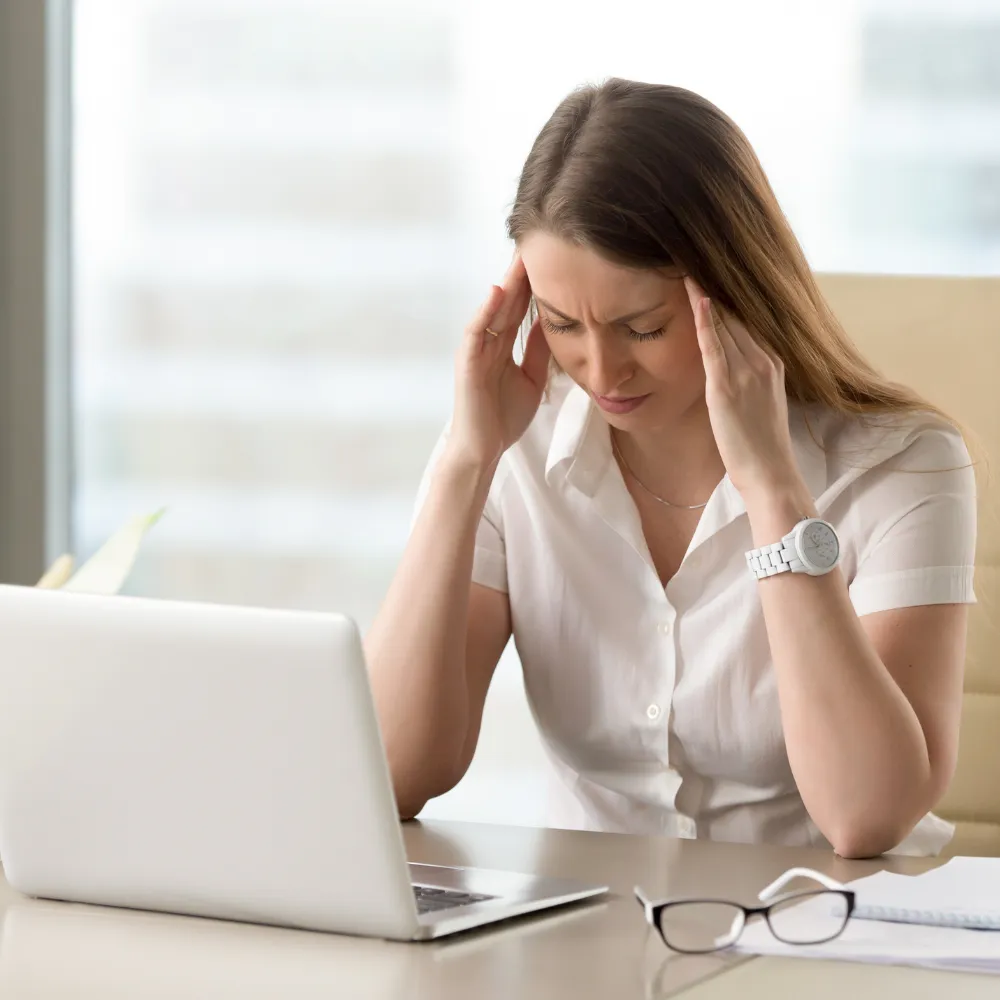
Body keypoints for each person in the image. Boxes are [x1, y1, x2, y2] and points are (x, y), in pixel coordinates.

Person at [365, 79, 977, 859]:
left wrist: (773, 491)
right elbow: (393, 773)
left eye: (641, 328)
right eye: (561, 324)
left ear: (735, 293)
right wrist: (464, 460)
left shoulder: (904, 467)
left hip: (823, 937)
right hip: (590, 941)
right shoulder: (511, 451)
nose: (600, 369)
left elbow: (865, 817)